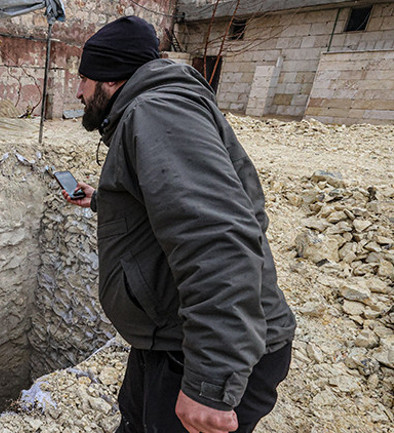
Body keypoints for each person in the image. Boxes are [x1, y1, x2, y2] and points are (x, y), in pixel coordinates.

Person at [62, 16, 296, 433]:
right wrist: (100, 200)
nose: (78, 91)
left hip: (204, 351)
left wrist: (210, 381)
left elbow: (216, 236)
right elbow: (174, 206)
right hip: (170, 336)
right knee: (135, 421)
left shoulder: (155, 111)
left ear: (112, 80)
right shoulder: (154, 109)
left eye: (84, 78)